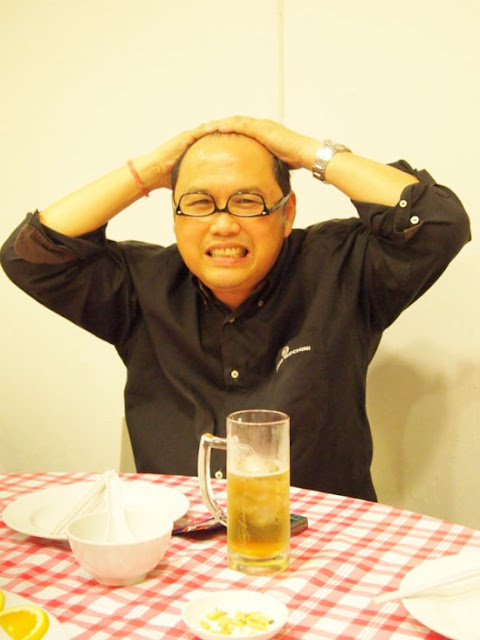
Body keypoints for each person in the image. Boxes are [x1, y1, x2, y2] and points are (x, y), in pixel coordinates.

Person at [0, 116, 471, 501]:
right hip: (176, 547)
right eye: (199, 203)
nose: (223, 225)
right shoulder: (140, 286)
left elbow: (439, 221)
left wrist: (306, 151)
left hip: (323, 545)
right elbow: (29, 255)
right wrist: (152, 170)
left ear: (287, 213)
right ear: (175, 216)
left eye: (247, 202)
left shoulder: (341, 268)